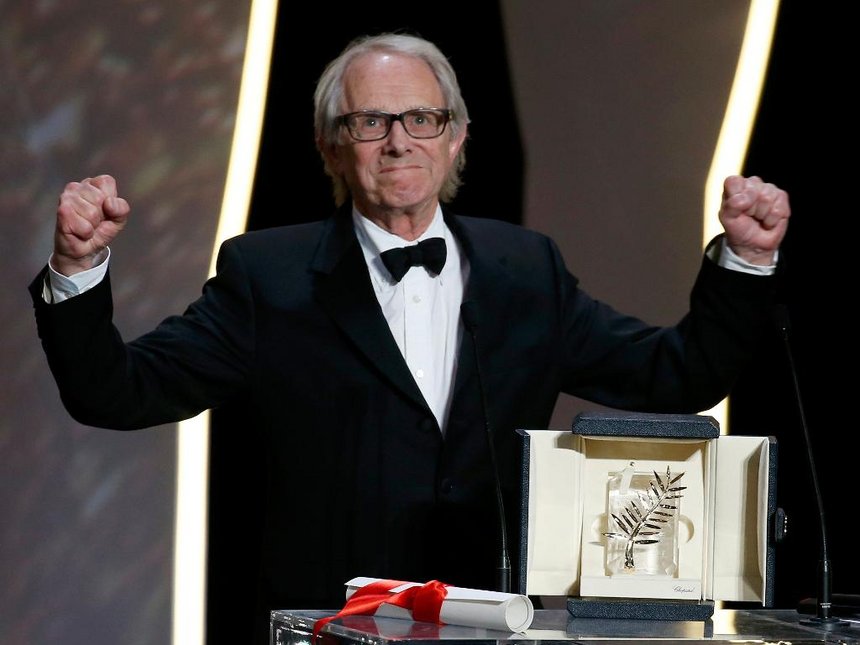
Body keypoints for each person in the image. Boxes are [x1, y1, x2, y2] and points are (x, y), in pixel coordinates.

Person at [31, 32, 790, 641]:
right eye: (370, 122)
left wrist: (747, 261)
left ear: (456, 139)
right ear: (333, 146)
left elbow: (676, 376)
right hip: (329, 628)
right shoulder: (269, 274)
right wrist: (77, 267)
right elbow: (117, 393)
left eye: (421, 119)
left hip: (492, 627)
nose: (399, 142)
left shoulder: (524, 268)